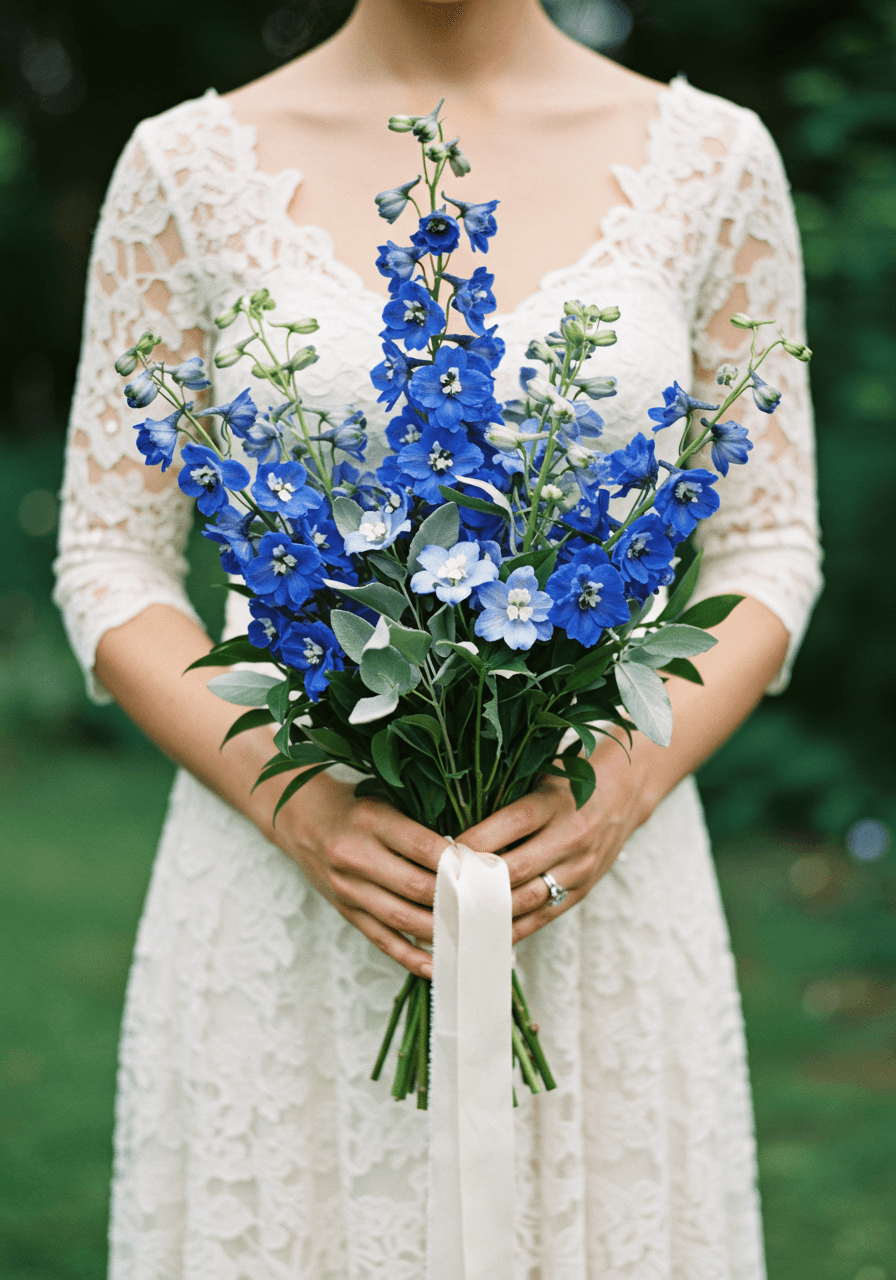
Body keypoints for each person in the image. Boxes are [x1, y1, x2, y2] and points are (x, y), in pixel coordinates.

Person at [53, 0, 822, 1275]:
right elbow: (109, 556)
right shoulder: (181, 168)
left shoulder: (715, 159)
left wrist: (621, 778)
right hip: (289, 885)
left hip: (593, 887)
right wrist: (296, 808)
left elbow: (766, 546)